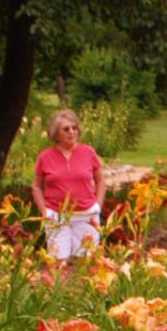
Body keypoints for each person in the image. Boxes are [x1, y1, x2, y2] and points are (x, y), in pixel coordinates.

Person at [32, 108, 105, 260]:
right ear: (56, 133)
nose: (72, 132)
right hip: (57, 215)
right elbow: (36, 186)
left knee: (87, 261)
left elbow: (100, 181)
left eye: (74, 128)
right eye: (66, 129)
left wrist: (98, 205)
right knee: (58, 262)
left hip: (86, 214)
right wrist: (44, 211)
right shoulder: (45, 157)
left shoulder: (88, 152)